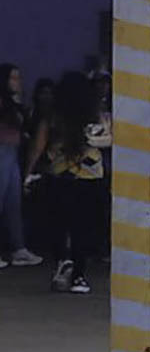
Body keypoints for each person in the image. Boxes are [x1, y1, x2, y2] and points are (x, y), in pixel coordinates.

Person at [27, 73, 107, 293]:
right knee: (84, 227)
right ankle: (79, 276)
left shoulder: (52, 117)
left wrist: (28, 172)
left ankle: (63, 260)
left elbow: (38, 147)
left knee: (59, 223)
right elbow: (105, 140)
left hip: (59, 175)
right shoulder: (95, 116)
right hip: (90, 176)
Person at [0, 64, 40, 268]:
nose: (18, 82)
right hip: (2, 150)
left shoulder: (14, 103)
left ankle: (18, 248)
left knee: (12, 203)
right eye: (13, 78)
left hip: (12, 151)